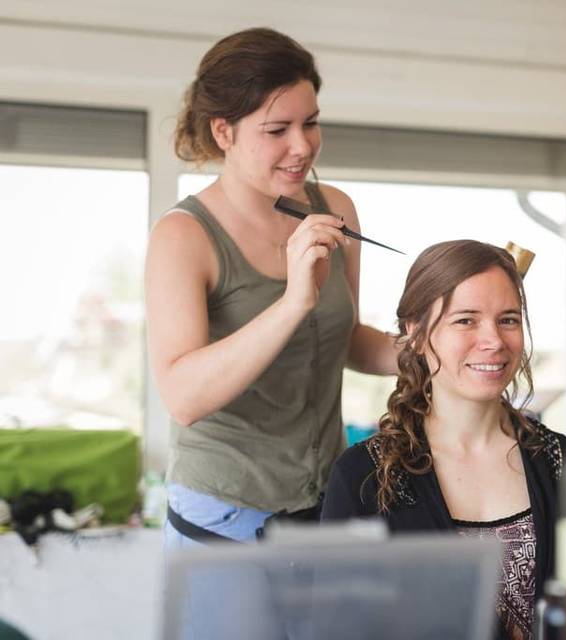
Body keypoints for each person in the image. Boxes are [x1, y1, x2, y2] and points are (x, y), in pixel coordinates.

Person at [145, 27, 398, 549]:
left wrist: (428, 348)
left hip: (322, 505)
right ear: (224, 132)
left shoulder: (336, 208)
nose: (301, 146)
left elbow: (344, 336)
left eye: (311, 123)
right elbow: (183, 397)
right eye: (277, 129)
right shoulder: (183, 236)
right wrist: (294, 301)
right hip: (221, 518)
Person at [321, 240, 566, 640]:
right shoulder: (363, 478)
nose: (493, 340)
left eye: (508, 319)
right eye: (466, 320)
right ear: (416, 334)